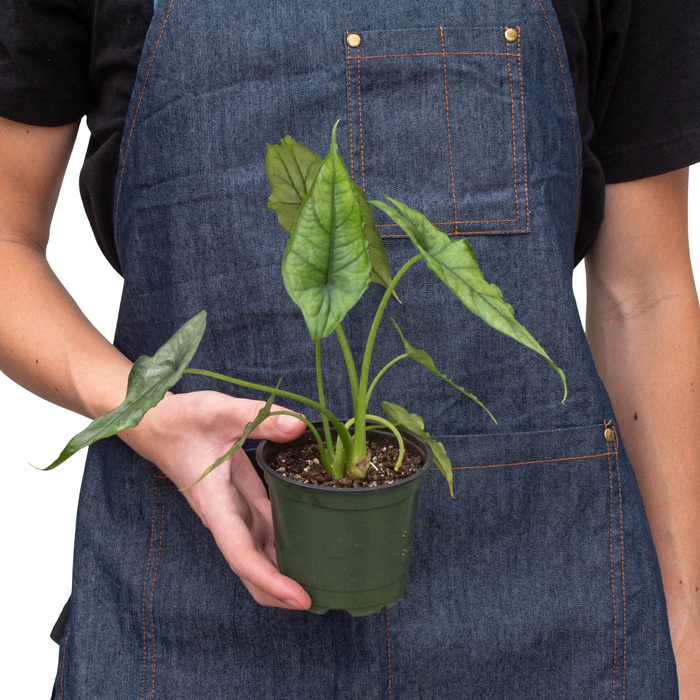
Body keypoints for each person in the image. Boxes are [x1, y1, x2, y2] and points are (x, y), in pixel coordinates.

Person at [1, 0, 699, 698]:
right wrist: (141, 412)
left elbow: (643, 295)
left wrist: (688, 631)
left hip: (547, 603)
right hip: (190, 604)